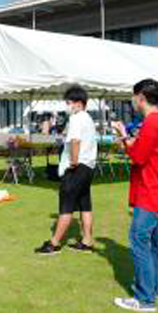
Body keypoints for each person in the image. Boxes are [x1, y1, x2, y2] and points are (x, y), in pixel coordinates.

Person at [111, 79, 158, 313]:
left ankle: (145, 298)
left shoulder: (152, 122)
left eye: (133, 97)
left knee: (139, 241)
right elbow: (146, 152)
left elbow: (138, 156)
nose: (132, 101)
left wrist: (123, 136)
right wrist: (129, 139)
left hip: (152, 191)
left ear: (140, 97)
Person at [34, 85, 98, 255]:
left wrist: (74, 162)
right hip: (89, 166)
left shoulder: (77, 118)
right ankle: (87, 240)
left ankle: (54, 243)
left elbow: (75, 141)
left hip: (77, 167)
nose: (67, 106)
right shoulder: (88, 118)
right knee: (85, 205)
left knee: (66, 206)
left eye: (68, 102)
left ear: (78, 103)